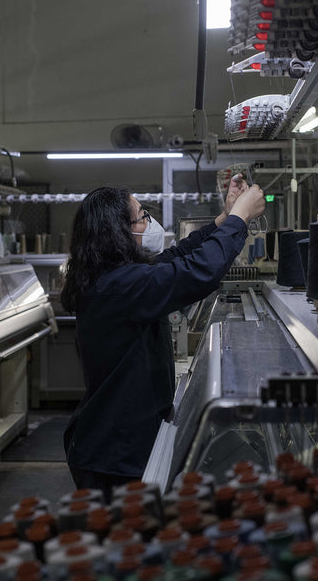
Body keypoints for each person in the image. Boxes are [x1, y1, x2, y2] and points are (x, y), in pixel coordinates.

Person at [61, 177, 265, 500]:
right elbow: (198, 272)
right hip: (115, 458)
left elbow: (178, 256)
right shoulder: (121, 286)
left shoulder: (113, 277)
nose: (148, 223)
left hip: (114, 445)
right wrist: (240, 218)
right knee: (126, 544)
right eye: (142, 217)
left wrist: (225, 219)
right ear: (117, 232)